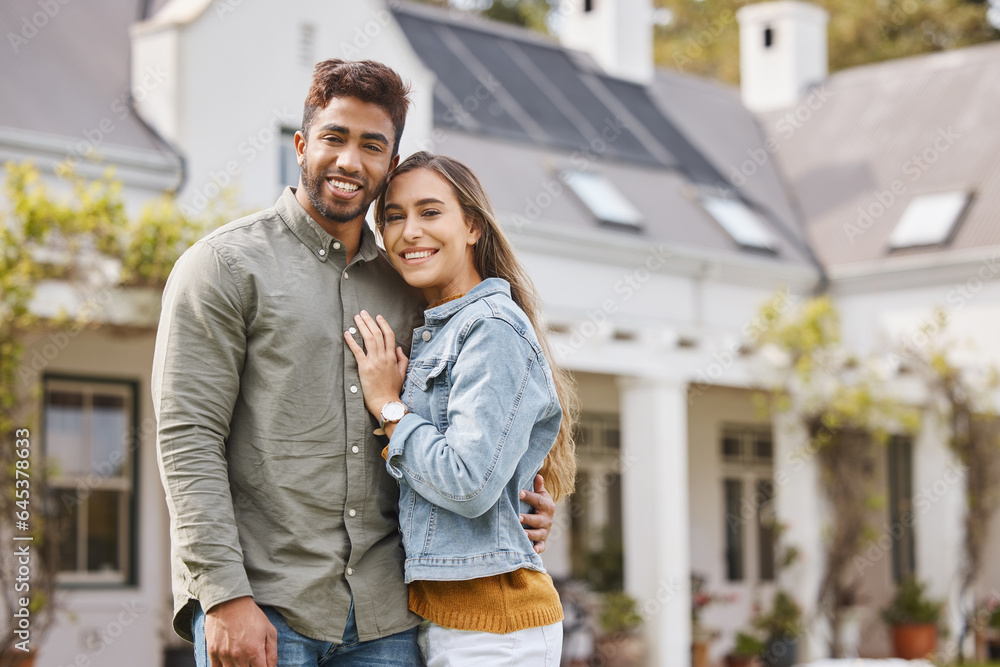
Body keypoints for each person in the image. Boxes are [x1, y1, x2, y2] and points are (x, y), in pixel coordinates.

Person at [151, 60, 555, 667]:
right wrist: (223, 595)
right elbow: (188, 441)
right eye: (333, 138)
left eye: (371, 145)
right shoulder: (223, 267)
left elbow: (474, 429)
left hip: (387, 620)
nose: (348, 161)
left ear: (389, 164)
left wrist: (513, 505)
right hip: (266, 606)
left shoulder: (412, 285)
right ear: (301, 145)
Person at [344, 151, 578, 666]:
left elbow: (469, 483)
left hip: (496, 631)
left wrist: (389, 407)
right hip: (448, 623)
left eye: (430, 212)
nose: (409, 232)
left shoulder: (490, 327)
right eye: (393, 217)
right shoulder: (440, 329)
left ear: (472, 225)